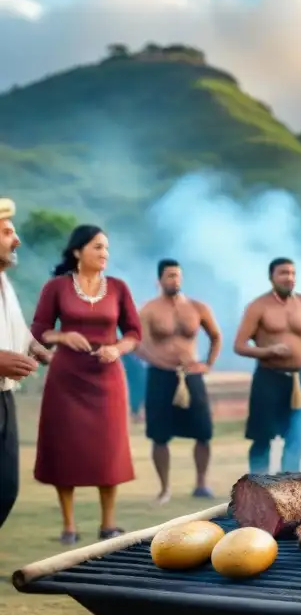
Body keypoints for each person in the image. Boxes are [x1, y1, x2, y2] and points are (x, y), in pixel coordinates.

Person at [31, 225, 142, 545]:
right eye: (97, 247)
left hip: (107, 379)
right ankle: (68, 525)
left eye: (106, 248)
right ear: (78, 251)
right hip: (66, 379)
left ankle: (108, 524)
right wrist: (61, 335)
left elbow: (134, 333)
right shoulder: (56, 288)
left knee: (107, 450)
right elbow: (39, 329)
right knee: (65, 449)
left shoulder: (119, 288)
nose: (104, 253)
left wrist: (117, 348)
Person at [137, 259, 222, 503]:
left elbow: (216, 336)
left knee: (203, 431)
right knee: (159, 435)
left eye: (177, 276)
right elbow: (136, 343)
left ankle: (201, 484)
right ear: (159, 280)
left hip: (192, 375)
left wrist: (207, 364)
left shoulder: (197, 307)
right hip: (160, 376)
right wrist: (158, 361)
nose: (174, 280)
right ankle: (164, 488)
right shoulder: (148, 309)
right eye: (169, 276)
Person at [234, 258, 301, 475]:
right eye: (283, 273)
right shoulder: (258, 306)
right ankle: (259, 486)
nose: (289, 278)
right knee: (262, 436)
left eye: (292, 273)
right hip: (268, 377)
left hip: (298, 379)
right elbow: (239, 345)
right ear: (271, 277)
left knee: (296, 435)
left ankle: (288, 485)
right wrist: (268, 351)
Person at [0, 199, 50, 532]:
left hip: (4, 400)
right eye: (6, 232)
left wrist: (36, 348)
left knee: (4, 490)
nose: (16, 240)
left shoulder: (4, 283)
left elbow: (14, 329)